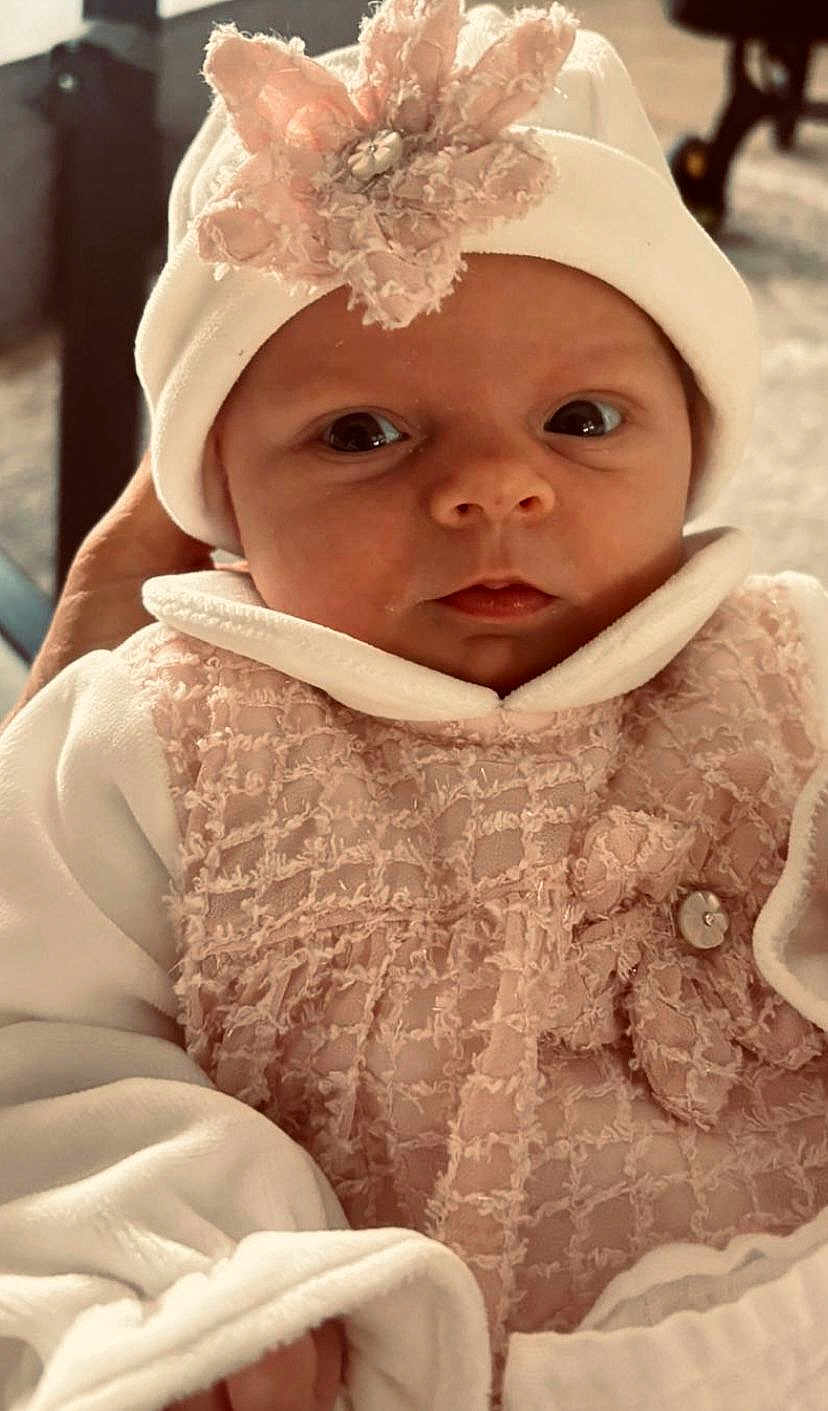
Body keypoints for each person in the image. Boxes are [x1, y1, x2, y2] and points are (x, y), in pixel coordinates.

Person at [1, 2, 826, 1410]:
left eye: (582, 420)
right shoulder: (151, 735)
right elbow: (40, 1060)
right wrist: (215, 1277)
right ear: (220, 503)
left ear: (696, 442)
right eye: (363, 434)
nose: (492, 489)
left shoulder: (789, 665)